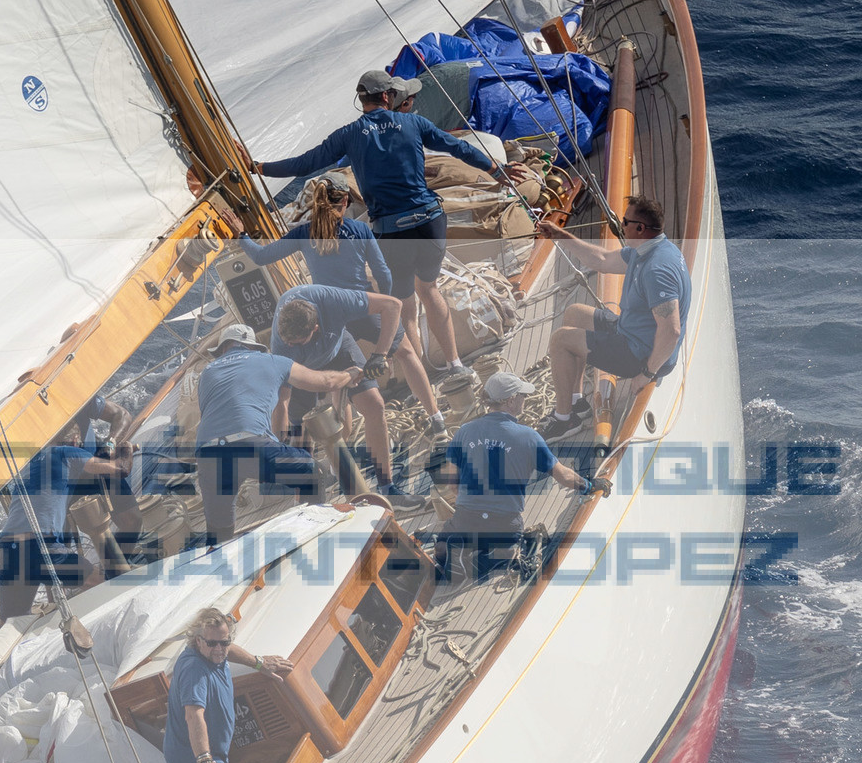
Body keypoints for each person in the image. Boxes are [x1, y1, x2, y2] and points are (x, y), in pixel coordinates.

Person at [247, 68, 530, 390]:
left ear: (362, 99)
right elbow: (458, 147)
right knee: (430, 289)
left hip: (392, 231)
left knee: (404, 302)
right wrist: (497, 169)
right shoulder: (414, 123)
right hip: (430, 222)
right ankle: (455, 365)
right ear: (387, 96)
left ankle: (420, 374)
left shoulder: (349, 134)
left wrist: (257, 167)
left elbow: (303, 163)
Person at [242, 171, 446, 427]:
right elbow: (383, 274)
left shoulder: (304, 233)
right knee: (406, 353)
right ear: (346, 201)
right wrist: (383, 305)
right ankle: (436, 417)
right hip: (363, 308)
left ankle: (343, 437)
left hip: (329, 318)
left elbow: (261, 257)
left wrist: (241, 236)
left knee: (341, 377)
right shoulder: (359, 229)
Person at [434, 368, 608, 583]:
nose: (525, 399)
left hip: (466, 518)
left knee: (444, 547)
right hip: (504, 523)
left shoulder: (465, 431)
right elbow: (562, 475)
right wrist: (589, 485)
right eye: (522, 395)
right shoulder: (529, 437)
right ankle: (491, 557)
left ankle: (457, 551)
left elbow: (453, 484)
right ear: (510, 400)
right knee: (506, 551)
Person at [541, 197, 692, 434]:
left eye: (625, 222)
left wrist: (646, 373)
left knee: (560, 340)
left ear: (640, 228)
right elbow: (602, 260)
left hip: (639, 355)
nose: (621, 225)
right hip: (631, 332)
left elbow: (671, 331)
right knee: (575, 313)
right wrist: (560, 235)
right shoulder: (649, 249)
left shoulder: (656, 271)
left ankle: (564, 420)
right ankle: (577, 403)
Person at [270, 288, 430, 495]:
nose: (290, 344)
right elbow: (282, 402)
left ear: (316, 327)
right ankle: (307, 494)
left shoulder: (333, 301)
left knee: (375, 405)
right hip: (300, 367)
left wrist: (379, 354)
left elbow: (393, 305)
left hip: (337, 346)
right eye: (288, 342)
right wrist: (278, 445)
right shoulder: (282, 347)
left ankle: (387, 487)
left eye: (296, 342)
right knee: (301, 432)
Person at [162, 605, 291, 763]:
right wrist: (205, 760)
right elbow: (193, 715)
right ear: (198, 640)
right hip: (194, 758)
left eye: (225, 642)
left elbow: (227, 650)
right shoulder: (194, 670)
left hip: (182, 755)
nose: (219, 649)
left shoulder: (213, 651)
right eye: (213, 643)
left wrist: (258, 662)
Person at [0, 405, 127, 612]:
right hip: (40, 547)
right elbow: (119, 469)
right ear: (75, 440)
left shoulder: (29, 464)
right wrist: (126, 451)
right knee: (101, 584)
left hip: (7, 550)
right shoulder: (68, 452)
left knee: (12, 619)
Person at [192, 322, 314, 544]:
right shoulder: (270, 361)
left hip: (208, 452)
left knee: (219, 530)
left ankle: (219, 558)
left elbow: (208, 413)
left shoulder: (207, 372)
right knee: (312, 473)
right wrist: (348, 375)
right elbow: (322, 382)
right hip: (249, 445)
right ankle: (313, 532)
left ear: (222, 349)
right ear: (253, 347)